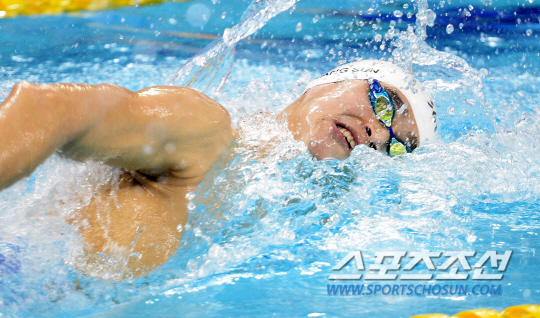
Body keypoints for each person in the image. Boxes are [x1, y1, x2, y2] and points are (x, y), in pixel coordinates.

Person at [0, 60, 437, 277]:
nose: (377, 132)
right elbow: (49, 108)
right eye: (383, 102)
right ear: (331, 80)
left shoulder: (289, 220)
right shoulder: (206, 130)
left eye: (397, 144)